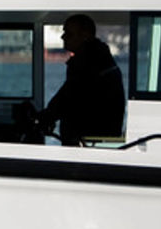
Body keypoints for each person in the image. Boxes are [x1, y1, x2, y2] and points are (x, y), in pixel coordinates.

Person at [40, 14, 125, 145]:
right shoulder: (101, 59)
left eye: (68, 34)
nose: (63, 37)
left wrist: (46, 117)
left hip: (88, 143)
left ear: (84, 35)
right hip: (98, 140)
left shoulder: (88, 63)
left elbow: (68, 96)